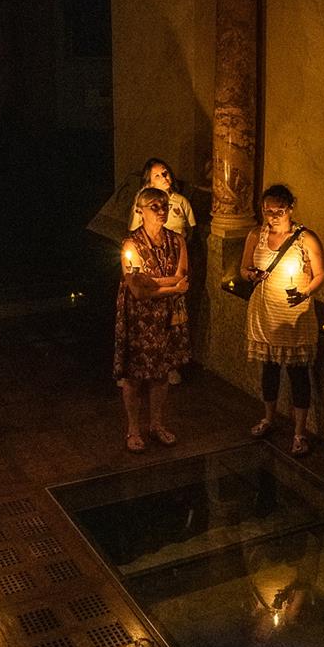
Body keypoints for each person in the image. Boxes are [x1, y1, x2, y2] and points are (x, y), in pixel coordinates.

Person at [241, 184, 324, 455]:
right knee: (269, 369)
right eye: (268, 211)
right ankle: (268, 417)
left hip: (294, 316)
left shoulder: (306, 238)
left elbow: (321, 274)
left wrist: (305, 292)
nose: (273, 216)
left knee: (298, 374)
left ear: (290, 208)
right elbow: (243, 269)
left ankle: (299, 432)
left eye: (279, 211)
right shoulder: (256, 235)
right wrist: (251, 274)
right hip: (265, 312)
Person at [114, 186, 190, 452]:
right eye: (154, 207)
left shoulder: (177, 241)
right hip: (139, 317)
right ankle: (133, 429)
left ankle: (156, 424)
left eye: (164, 206)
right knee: (135, 375)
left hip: (166, 316)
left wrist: (152, 283)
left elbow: (182, 277)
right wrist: (171, 287)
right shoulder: (131, 244)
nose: (161, 211)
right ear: (141, 211)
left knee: (161, 373)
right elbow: (137, 290)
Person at [128, 158, 195, 239]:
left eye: (165, 172)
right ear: (149, 183)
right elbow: (133, 231)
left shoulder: (181, 201)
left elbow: (190, 229)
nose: (164, 177)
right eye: (157, 176)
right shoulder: (143, 203)